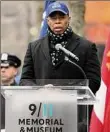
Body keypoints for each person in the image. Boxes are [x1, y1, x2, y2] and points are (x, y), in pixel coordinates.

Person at [20, 2, 101, 131]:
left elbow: (94, 81)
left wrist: (63, 92)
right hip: (43, 116)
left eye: (61, 17)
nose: (57, 21)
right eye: (53, 18)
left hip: (75, 117)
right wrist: (40, 90)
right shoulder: (34, 47)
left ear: (68, 19)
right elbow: (24, 80)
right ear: (47, 20)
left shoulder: (87, 47)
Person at [1, 53, 21, 130]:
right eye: (1, 67)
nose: (3, 70)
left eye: (7, 67)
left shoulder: (22, 92)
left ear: (15, 71)